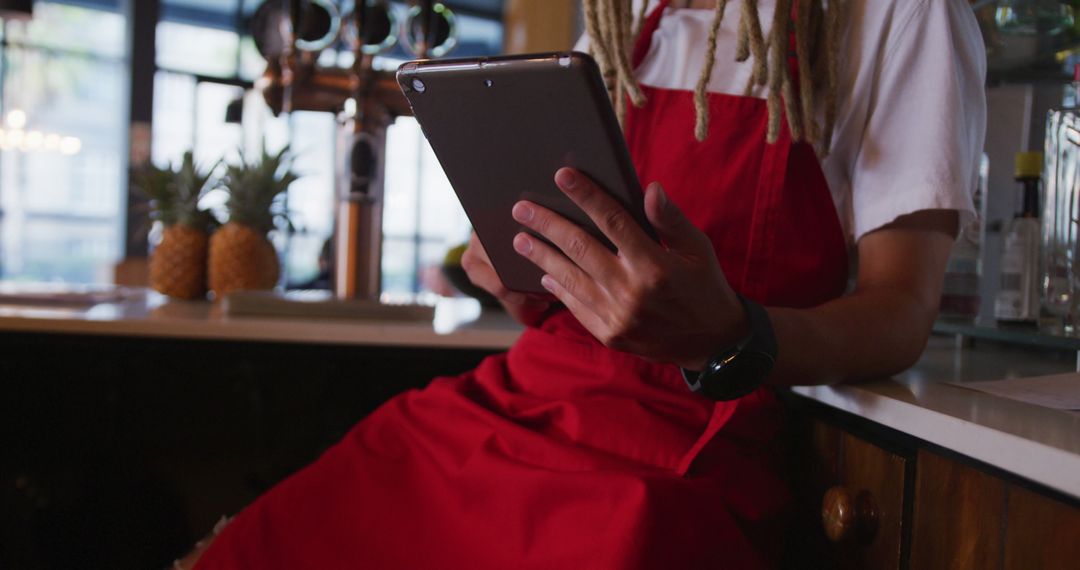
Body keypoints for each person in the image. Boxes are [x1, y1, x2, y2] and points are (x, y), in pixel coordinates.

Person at [183, 0, 985, 567]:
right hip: (521, 399)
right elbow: (573, 295)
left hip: (689, 441)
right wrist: (520, 275)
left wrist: (734, 334)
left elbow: (902, 312)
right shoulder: (626, 17)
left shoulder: (896, 14)